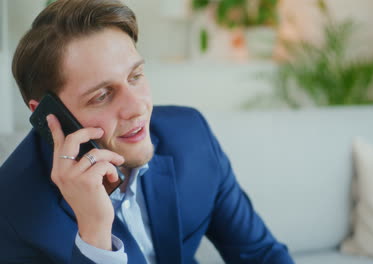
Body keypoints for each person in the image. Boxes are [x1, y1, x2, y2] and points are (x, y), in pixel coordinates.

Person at [0, 0, 293, 263]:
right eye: (101, 95)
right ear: (48, 114)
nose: (137, 107)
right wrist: (95, 233)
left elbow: (261, 254)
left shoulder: (191, 136)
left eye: (135, 76)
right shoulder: (12, 208)